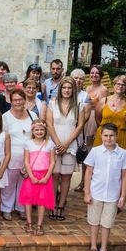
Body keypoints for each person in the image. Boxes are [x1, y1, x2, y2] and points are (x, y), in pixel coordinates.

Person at [83, 123, 126, 251]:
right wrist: (87, 192)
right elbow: (88, 172)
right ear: (101, 136)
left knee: (107, 223)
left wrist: (122, 196)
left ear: (117, 136)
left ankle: (103, 249)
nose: (108, 138)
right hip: (96, 193)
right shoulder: (95, 152)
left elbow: (125, 175)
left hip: (112, 195)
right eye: (105, 135)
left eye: (111, 136)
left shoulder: (122, 153)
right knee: (94, 221)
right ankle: (93, 247)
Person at [94, 74, 126, 203]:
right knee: (100, 168)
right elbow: (98, 119)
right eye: (118, 84)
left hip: (123, 137)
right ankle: (98, 195)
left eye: (123, 85)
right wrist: (105, 133)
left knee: (121, 169)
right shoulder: (104, 101)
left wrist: (120, 131)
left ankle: (119, 198)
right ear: (114, 85)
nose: (120, 87)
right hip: (103, 137)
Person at [46, 77, 85, 221]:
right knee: (54, 174)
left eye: (69, 88)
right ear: (60, 89)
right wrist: (57, 143)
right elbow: (49, 124)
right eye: (64, 88)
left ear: (73, 89)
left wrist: (67, 144)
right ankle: (52, 204)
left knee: (66, 176)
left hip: (70, 145)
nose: (67, 90)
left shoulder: (79, 106)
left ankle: (61, 205)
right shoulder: (52, 104)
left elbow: (79, 126)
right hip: (55, 144)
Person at [2, 89, 38, 220]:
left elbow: (37, 135)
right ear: (11, 101)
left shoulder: (33, 116)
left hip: (29, 157)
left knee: (25, 184)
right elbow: (3, 137)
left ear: (24, 100)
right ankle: (6, 208)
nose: (18, 102)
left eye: (20, 99)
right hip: (12, 155)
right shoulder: (5, 117)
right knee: (9, 184)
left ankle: (22, 208)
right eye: (15, 100)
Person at [18, 119, 56, 235]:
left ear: (45, 130)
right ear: (32, 130)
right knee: (28, 199)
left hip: (44, 175)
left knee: (42, 200)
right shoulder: (28, 144)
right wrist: (31, 176)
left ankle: (39, 224)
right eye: (36, 129)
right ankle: (29, 222)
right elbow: (26, 161)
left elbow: (52, 162)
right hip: (32, 175)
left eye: (41, 130)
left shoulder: (50, 144)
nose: (39, 132)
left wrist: (46, 177)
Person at [70, 68, 91, 192]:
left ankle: (83, 181)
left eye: (81, 79)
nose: (78, 80)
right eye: (76, 78)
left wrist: (76, 124)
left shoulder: (85, 96)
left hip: (78, 130)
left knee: (79, 157)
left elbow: (86, 115)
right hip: (64, 130)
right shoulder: (64, 92)